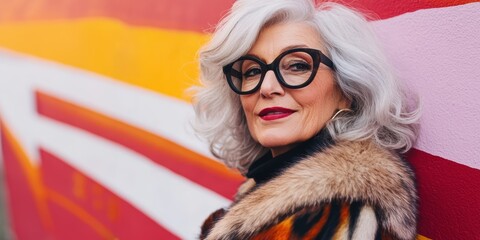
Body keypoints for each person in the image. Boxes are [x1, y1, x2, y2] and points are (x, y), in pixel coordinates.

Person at [192, 0, 420, 239]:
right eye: (252, 71)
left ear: (346, 91)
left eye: (297, 66)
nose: (267, 87)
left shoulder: (339, 215)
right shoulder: (271, 193)